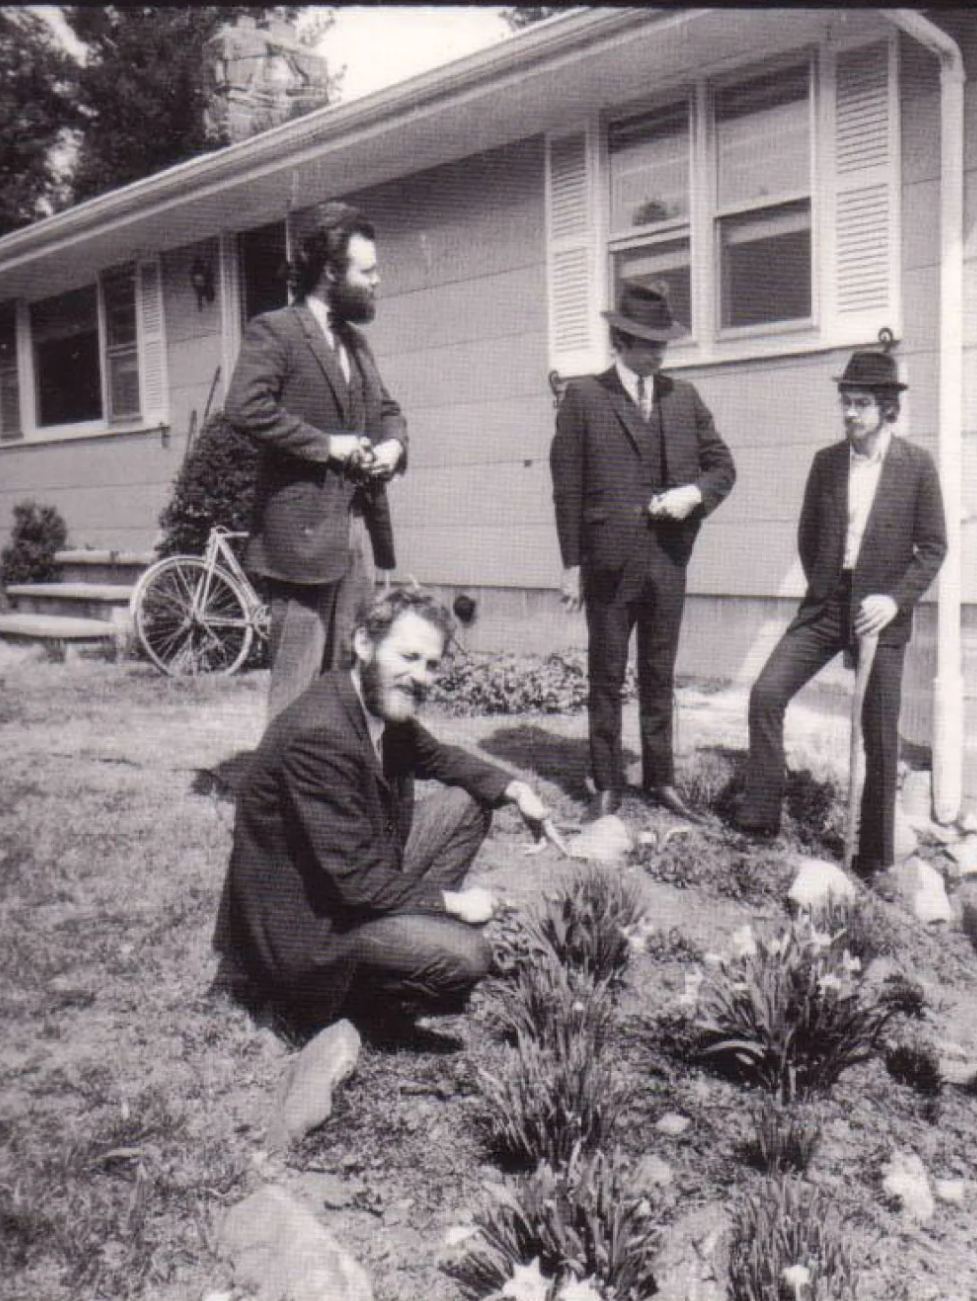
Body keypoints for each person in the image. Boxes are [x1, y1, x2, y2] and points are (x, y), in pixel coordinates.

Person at [211, 588, 564, 1041]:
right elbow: (355, 883)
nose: (420, 676)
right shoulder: (320, 734)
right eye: (409, 656)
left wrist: (516, 789)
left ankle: (405, 941)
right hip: (309, 932)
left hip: (347, 888)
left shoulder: (373, 704)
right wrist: (454, 904)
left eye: (431, 664)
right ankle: (340, 1003)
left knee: (468, 803)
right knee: (468, 957)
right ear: (363, 644)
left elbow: (439, 758)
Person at [730, 351, 946, 876]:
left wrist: (892, 599)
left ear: (887, 408)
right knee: (766, 693)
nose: (850, 414)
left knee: (879, 736)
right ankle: (761, 819)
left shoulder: (915, 466)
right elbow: (808, 535)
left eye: (862, 404)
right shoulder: (827, 463)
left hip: (880, 614)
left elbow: (934, 548)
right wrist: (826, 583)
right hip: (827, 604)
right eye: (846, 403)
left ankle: (874, 859)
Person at [549, 282, 736, 821]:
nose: (658, 354)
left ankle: (661, 779)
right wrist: (571, 565)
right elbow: (567, 488)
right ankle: (606, 783)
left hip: (668, 562)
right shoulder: (584, 398)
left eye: (663, 345)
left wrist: (693, 494)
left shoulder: (684, 399)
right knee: (606, 673)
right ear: (621, 341)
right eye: (648, 344)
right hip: (608, 562)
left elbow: (722, 467)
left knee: (660, 672)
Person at [227, 200, 407, 721]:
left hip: (355, 536)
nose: (378, 280)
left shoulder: (358, 344)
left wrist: (393, 446)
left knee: (349, 672)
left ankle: (327, 783)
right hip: (299, 542)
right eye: (367, 270)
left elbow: (389, 410)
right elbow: (244, 407)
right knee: (296, 679)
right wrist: (328, 446)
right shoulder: (277, 331)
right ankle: (275, 794)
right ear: (330, 272)